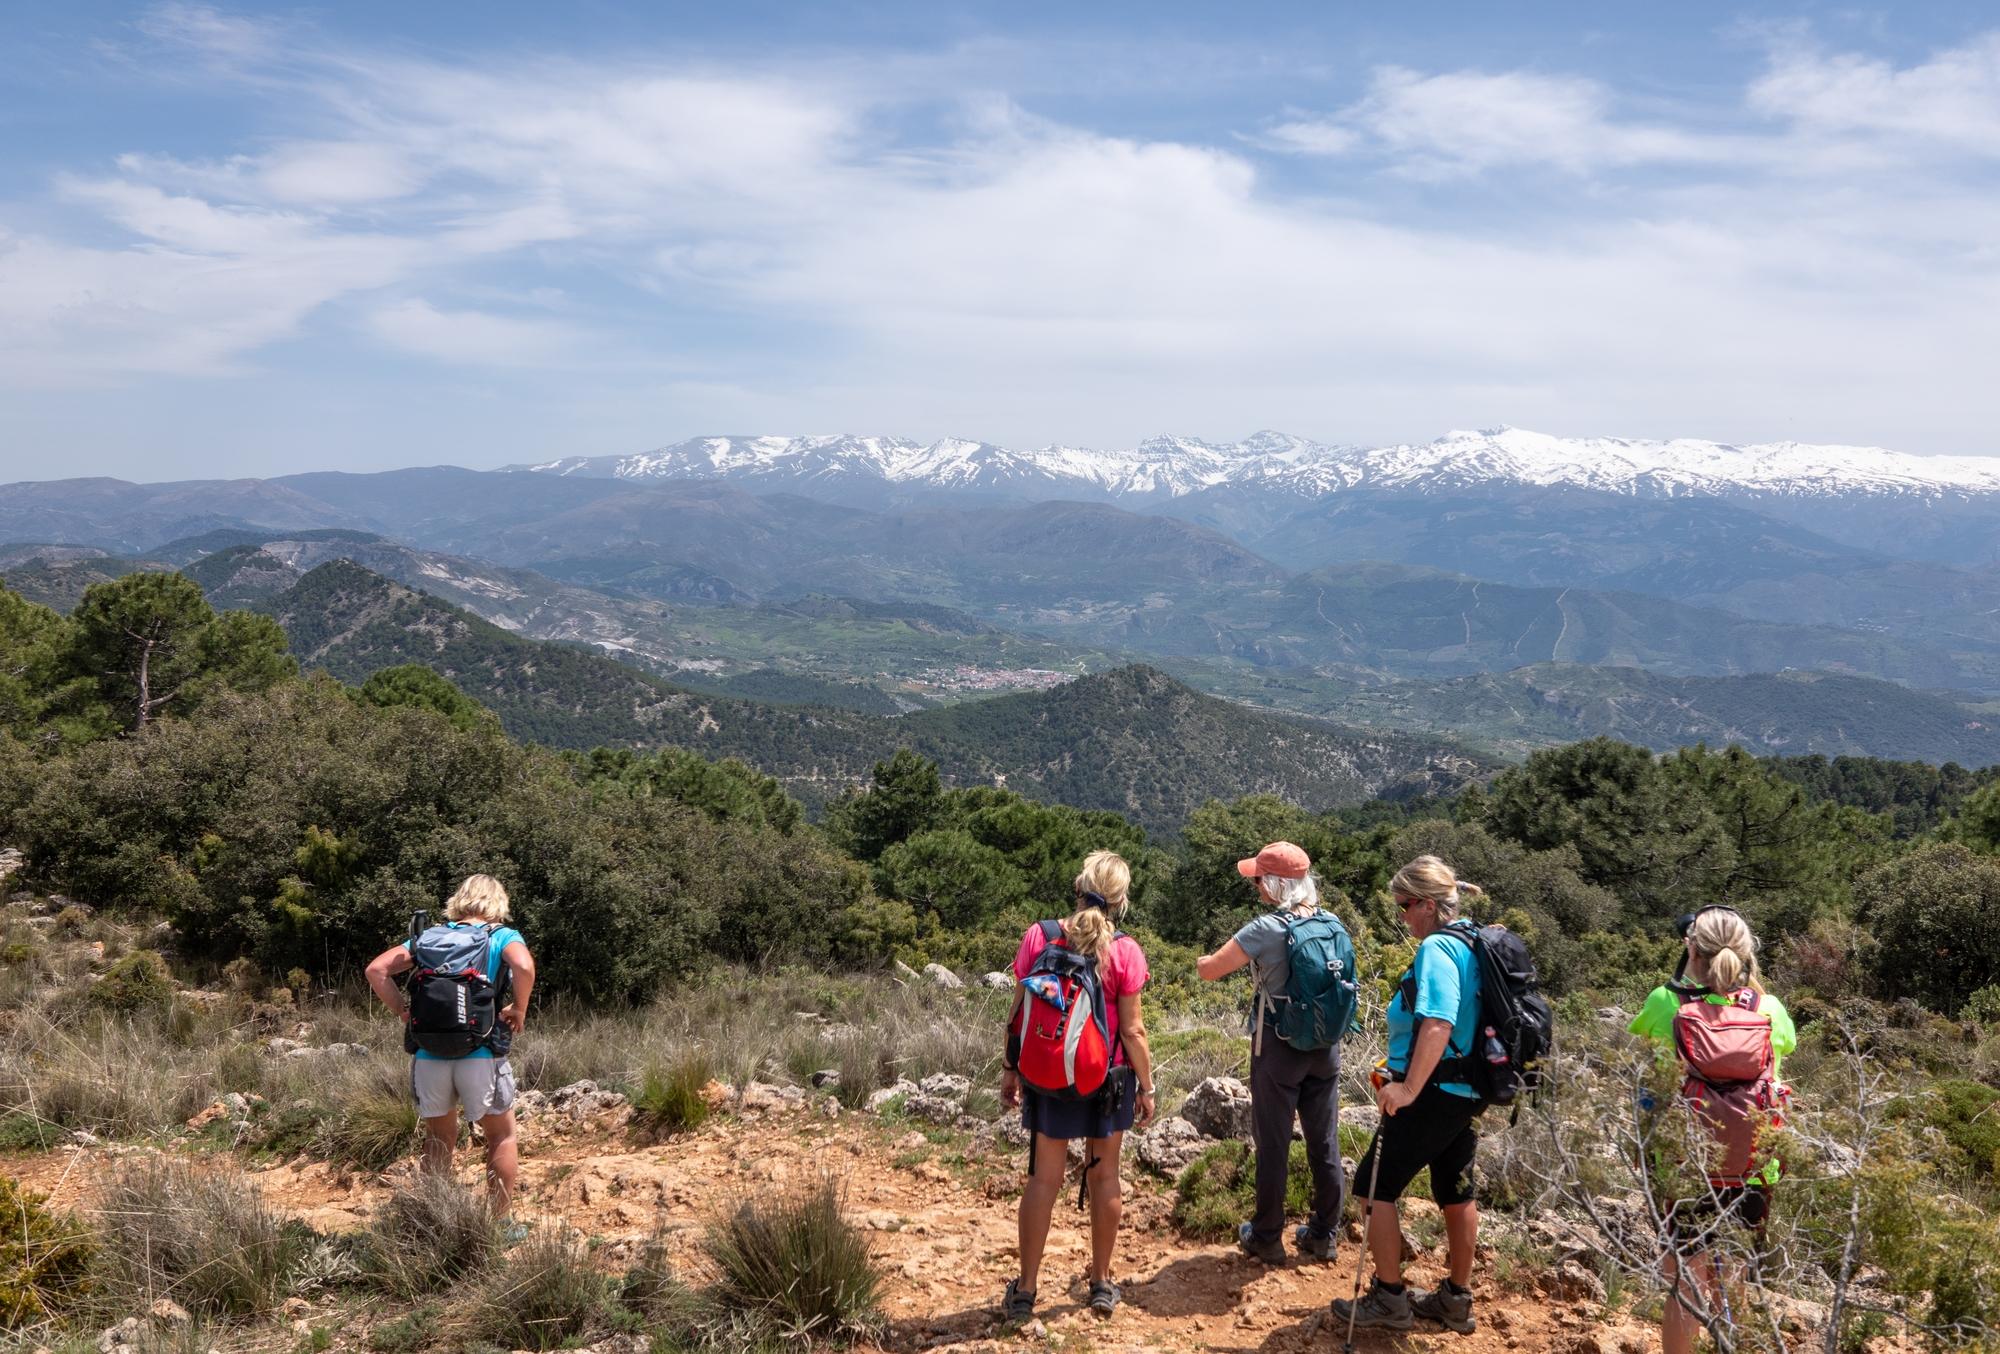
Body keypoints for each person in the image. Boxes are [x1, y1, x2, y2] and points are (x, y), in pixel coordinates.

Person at [1629, 906, 1797, 1354]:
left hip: (1687, 1164)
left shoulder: (1666, 1003)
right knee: (1735, 1275)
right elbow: (1784, 1055)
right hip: (1755, 1166)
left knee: (1686, 1282)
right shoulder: (1771, 1009)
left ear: (1690, 947)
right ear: (1746, 953)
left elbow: (1647, 1070)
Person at [1331, 855, 1485, 1335]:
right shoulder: (1476, 940)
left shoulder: (1439, 948)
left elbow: (1438, 1021)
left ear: (1426, 904)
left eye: (1403, 906)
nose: (1400, 916)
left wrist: (1408, 1087)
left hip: (1434, 1091)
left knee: (1373, 1189)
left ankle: (1390, 1299)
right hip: (1468, 1089)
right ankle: (1456, 1299)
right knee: (1455, 1190)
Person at [999, 850, 1156, 1321]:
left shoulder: (1041, 936)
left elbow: (1019, 1011)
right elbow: (1132, 1032)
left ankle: (1025, 1290)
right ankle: (1102, 1284)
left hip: (1048, 1074)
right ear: (1120, 900)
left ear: (1078, 887)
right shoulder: (1125, 950)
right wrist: (1146, 1088)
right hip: (1106, 1079)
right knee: (1105, 1176)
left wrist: (1011, 1069)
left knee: (1043, 1179)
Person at [1195, 840, 1346, 1264]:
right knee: (1324, 1140)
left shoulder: (1266, 929)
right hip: (1325, 1048)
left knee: (1274, 1143)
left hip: (1278, 1048)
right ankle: (1323, 1233)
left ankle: (1266, 1236)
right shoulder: (1333, 924)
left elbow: (1211, 971)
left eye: (1259, 879)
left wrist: (1198, 959)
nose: (1256, 886)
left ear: (1277, 885)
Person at [365, 874, 535, 1221]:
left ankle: (435, 1220)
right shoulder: (500, 935)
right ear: (497, 903)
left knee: (440, 1138)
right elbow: (524, 965)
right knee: (501, 1136)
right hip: (482, 1054)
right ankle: (498, 1223)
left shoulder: (428, 937)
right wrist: (519, 1008)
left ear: (460, 900)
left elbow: (376, 969)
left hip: (429, 1055)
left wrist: (403, 1011)